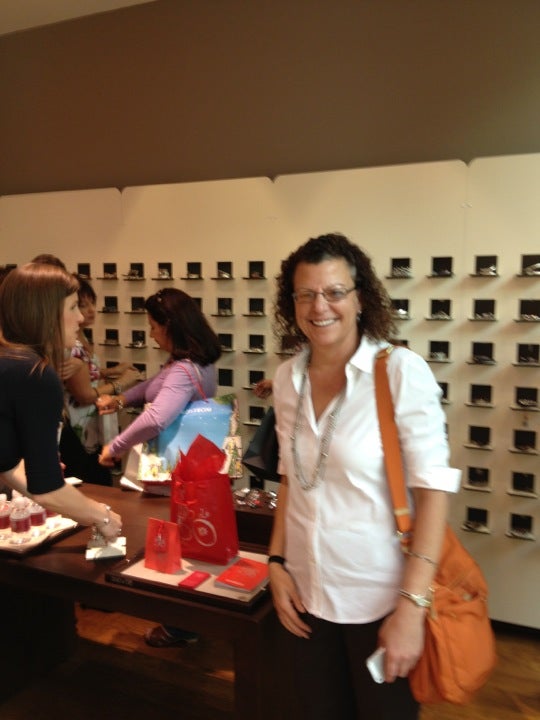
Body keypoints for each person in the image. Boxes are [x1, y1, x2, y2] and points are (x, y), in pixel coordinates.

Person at [267, 233, 461, 720]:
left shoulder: (399, 373)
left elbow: (434, 493)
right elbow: (291, 478)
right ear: (292, 304)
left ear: (360, 299)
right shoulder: (288, 379)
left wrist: (411, 608)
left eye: (335, 292)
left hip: (380, 602)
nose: (320, 307)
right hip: (306, 596)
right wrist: (275, 561)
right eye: (306, 294)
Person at [96, 287, 222, 647]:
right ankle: (187, 619)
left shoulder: (182, 369)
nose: (151, 334)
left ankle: (180, 625)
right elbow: (154, 386)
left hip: (173, 472)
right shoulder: (195, 362)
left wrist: (115, 447)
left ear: (170, 325)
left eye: (153, 326)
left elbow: (156, 418)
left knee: (171, 542)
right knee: (187, 540)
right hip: (193, 467)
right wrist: (122, 398)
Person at [0, 262, 122, 542]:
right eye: (72, 307)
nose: (80, 318)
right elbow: (47, 487)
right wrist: (102, 516)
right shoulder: (33, 373)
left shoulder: (11, 361)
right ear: (45, 313)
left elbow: (7, 464)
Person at [61, 275, 141, 485]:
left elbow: (88, 374)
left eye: (91, 304)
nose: (88, 311)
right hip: (80, 428)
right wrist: (121, 382)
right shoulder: (73, 345)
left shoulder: (80, 337)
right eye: (78, 306)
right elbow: (84, 394)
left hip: (88, 426)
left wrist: (112, 370)